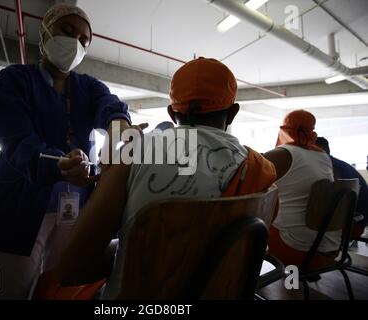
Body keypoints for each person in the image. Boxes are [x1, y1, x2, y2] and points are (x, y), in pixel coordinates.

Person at [53, 57, 277, 299]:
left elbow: (71, 269)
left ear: (171, 112)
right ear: (232, 113)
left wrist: (138, 250)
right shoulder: (261, 169)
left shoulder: (132, 153)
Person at [0, 4, 145, 300]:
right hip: (16, 210)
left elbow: (110, 104)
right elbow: (17, 141)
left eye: (83, 41)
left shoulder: (87, 87)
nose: (74, 43)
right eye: (67, 31)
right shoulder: (14, 80)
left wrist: (118, 125)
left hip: (71, 212)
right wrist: (58, 165)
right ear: (44, 33)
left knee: (61, 288)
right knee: (8, 292)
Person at [263, 110, 337, 268]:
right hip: (327, 244)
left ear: (283, 130)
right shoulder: (323, 156)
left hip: (294, 245)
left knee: (249, 220)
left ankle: (239, 284)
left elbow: (250, 183)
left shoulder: (281, 154)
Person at [316, 137, 368, 238]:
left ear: (321, 149)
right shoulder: (336, 163)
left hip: (354, 225)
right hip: (359, 219)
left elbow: (332, 203)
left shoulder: (330, 167)